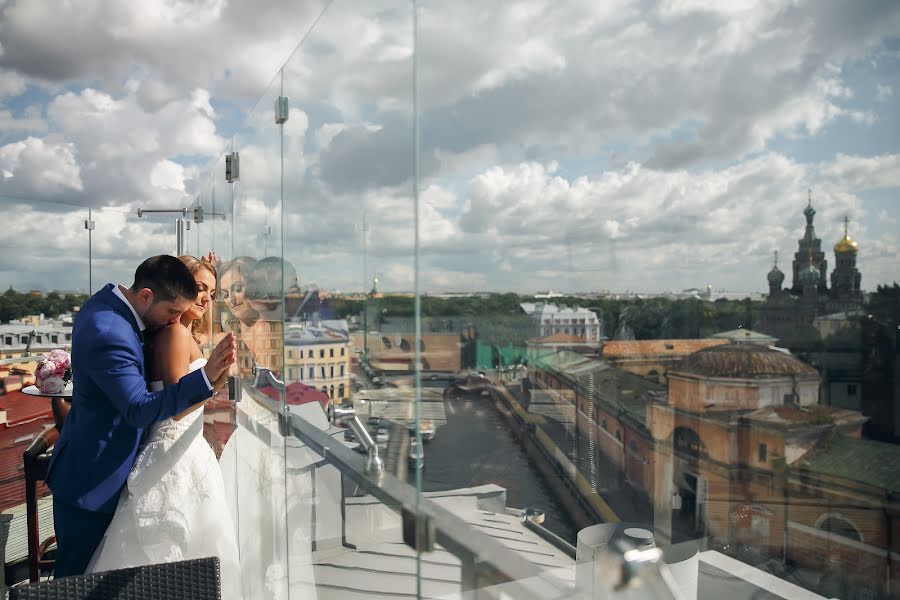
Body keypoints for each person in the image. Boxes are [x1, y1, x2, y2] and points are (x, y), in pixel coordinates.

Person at [46, 255, 235, 578]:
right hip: (93, 480)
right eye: (172, 311)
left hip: (107, 470)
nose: (173, 320)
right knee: (77, 582)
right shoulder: (110, 331)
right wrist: (207, 381)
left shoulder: (113, 306)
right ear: (146, 296)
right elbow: (137, 409)